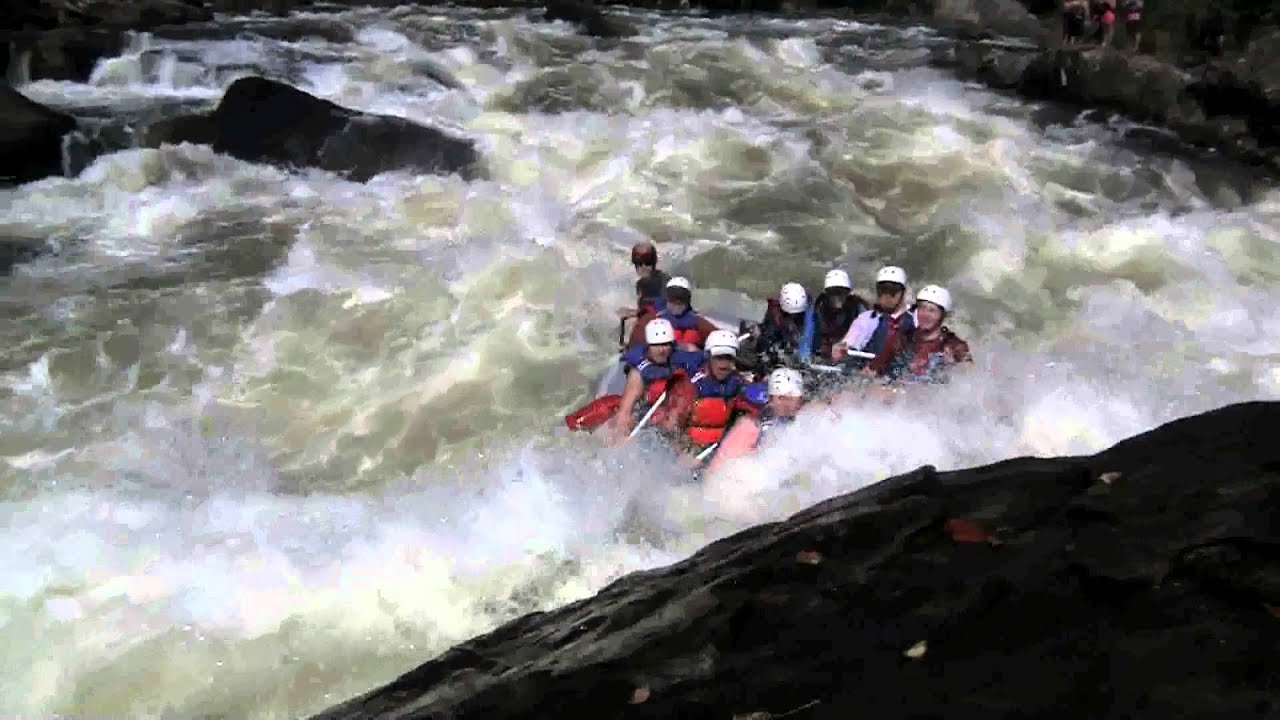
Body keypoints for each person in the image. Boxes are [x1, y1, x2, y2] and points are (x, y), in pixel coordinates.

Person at [663, 329, 752, 459]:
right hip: (685, 451)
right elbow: (671, 426)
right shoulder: (690, 385)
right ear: (708, 356)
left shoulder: (737, 383)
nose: (724, 364)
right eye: (719, 357)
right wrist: (683, 453)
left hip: (715, 451)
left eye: (729, 358)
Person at [862, 284, 973, 384]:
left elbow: (971, 378)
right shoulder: (902, 340)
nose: (925, 315)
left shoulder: (953, 346)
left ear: (943, 315)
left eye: (931, 310)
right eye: (922, 308)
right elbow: (871, 371)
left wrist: (951, 367)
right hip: (899, 395)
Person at [704, 367, 806, 474]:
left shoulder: (805, 422)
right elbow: (722, 467)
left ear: (800, 400)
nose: (787, 404)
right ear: (771, 399)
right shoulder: (751, 425)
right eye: (781, 398)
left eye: (791, 399)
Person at [832, 265, 915, 364]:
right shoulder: (865, 319)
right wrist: (842, 348)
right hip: (866, 370)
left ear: (903, 292)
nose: (886, 296)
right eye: (882, 290)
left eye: (893, 290)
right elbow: (850, 341)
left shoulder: (915, 320)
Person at [627, 276, 719, 352]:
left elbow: (720, 337)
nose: (677, 302)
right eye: (673, 297)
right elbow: (635, 346)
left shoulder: (698, 322)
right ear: (666, 297)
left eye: (681, 298)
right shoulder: (651, 318)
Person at [749, 282, 813, 369]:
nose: (793, 318)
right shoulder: (772, 319)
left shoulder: (808, 313)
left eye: (798, 315)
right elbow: (763, 346)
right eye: (789, 315)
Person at [807, 269, 866, 361]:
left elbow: (864, 332)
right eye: (833, 292)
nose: (838, 297)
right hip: (824, 352)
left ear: (848, 293)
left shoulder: (858, 308)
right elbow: (811, 335)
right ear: (826, 294)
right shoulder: (817, 309)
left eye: (842, 292)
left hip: (849, 351)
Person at [617, 241, 670, 320]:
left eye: (648, 262)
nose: (643, 266)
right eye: (638, 263)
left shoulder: (664, 280)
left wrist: (636, 312)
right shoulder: (640, 284)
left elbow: (664, 306)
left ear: (654, 262)